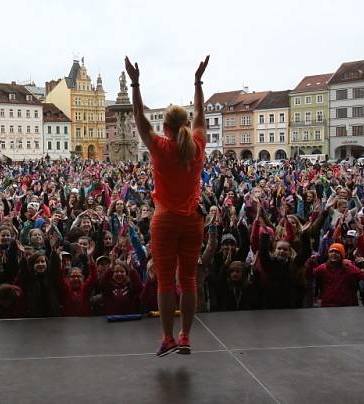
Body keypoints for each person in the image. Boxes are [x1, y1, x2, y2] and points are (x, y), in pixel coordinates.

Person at [125, 54, 209, 356]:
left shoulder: (160, 148)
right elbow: (200, 111)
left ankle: (167, 338)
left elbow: (137, 114)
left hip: (165, 221)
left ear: (165, 125)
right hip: (192, 222)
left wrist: (135, 82)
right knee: (188, 280)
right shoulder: (197, 145)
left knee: (164, 280)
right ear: (185, 125)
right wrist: (198, 81)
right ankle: (186, 336)